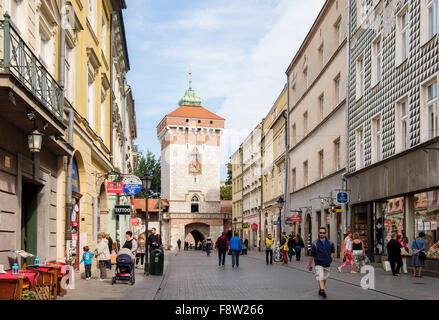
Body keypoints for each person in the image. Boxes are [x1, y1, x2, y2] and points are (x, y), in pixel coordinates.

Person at [307, 227, 335, 298]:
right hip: (318, 263)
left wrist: (330, 259)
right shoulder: (315, 243)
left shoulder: (330, 243)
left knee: (324, 278)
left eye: (323, 233)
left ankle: (321, 288)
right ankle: (322, 290)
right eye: (321, 233)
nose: (322, 234)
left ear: (325, 233)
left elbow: (332, 252)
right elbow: (312, 255)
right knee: (320, 276)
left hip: (327, 263)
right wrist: (310, 264)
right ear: (318, 233)